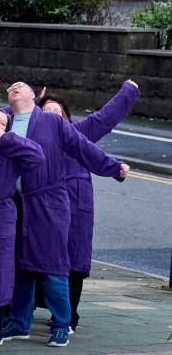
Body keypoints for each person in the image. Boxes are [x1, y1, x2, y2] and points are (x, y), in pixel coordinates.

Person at [0, 81, 128, 347]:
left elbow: (84, 148)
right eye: (11, 86)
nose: (14, 87)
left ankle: (61, 323)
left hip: (49, 201)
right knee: (21, 266)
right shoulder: (4, 121)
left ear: (33, 96)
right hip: (16, 202)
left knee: (55, 265)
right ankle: (19, 323)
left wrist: (113, 168)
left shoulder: (52, 123)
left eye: (20, 86)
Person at [40, 81, 140, 332]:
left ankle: (68, 315)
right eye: (46, 110)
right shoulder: (32, 136)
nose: (51, 114)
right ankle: (27, 312)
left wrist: (128, 90)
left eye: (56, 110)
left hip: (75, 206)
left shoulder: (78, 131)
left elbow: (105, 118)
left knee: (73, 260)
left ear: (66, 117)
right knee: (37, 259)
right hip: (43, 205)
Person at [0, 109, 44, 346]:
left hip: (0, 215)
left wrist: (7, 138)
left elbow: (37, 156)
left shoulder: (9, 151)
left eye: (2, 122)